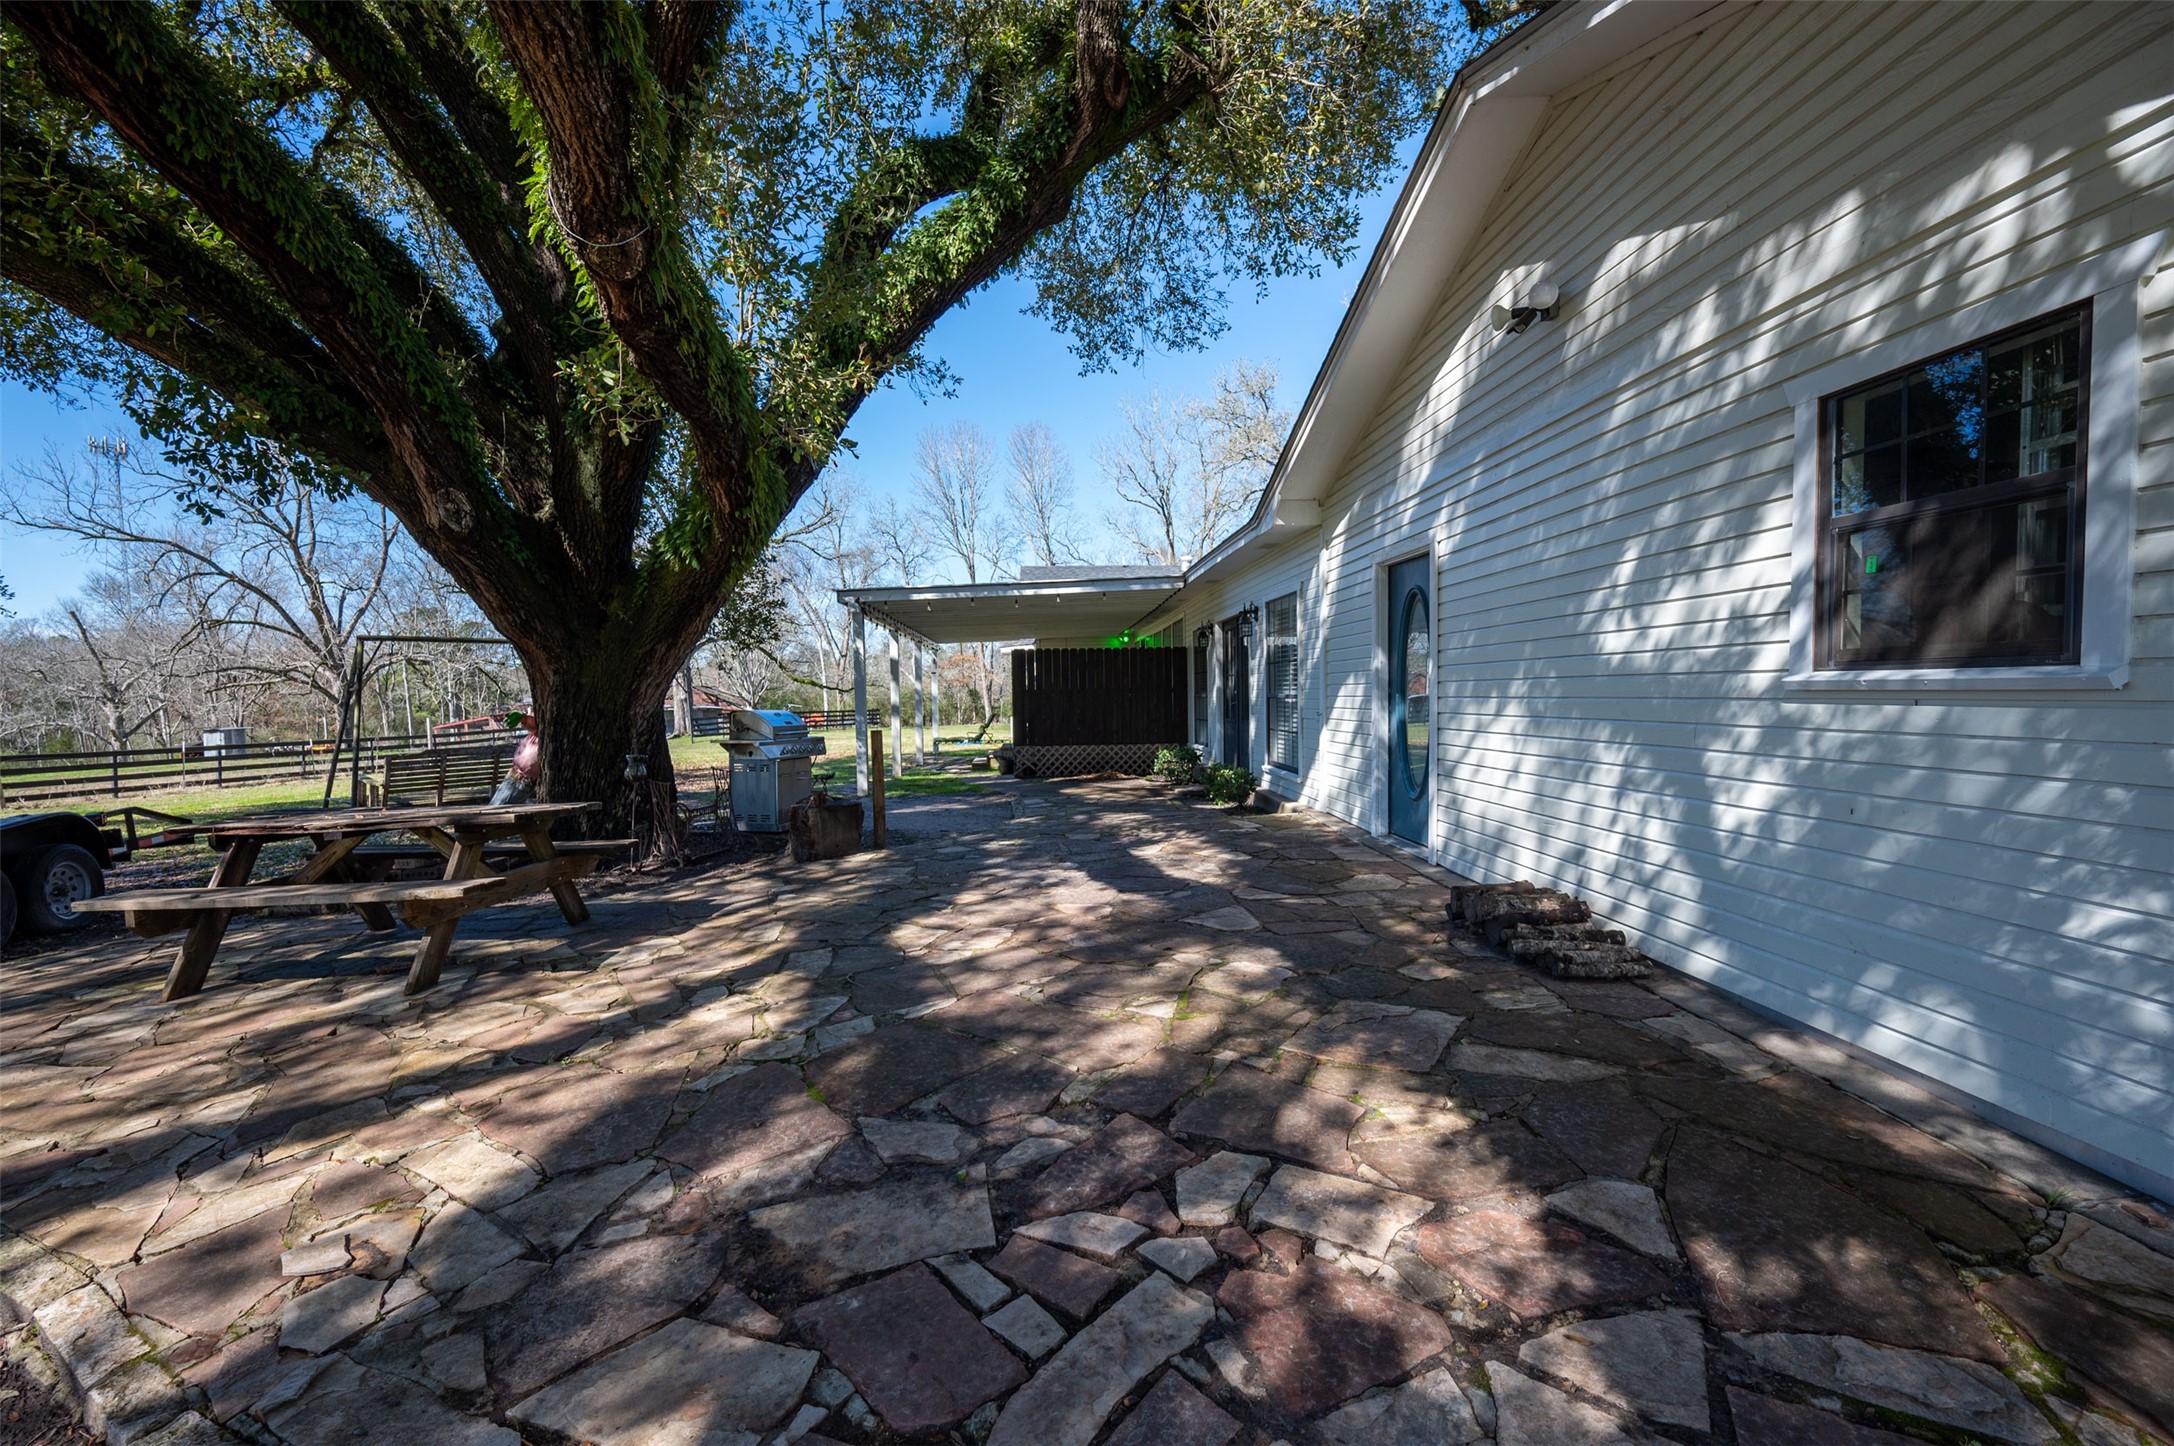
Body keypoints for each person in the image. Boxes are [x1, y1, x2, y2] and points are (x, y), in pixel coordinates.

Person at [491, 710, 541, 805]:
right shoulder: (539, 730)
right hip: (513, 775)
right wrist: (523, 718)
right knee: (494, 807)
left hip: (525, 780)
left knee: (502, 809)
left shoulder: (548, 733)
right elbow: (533, 723)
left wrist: (523, 718)